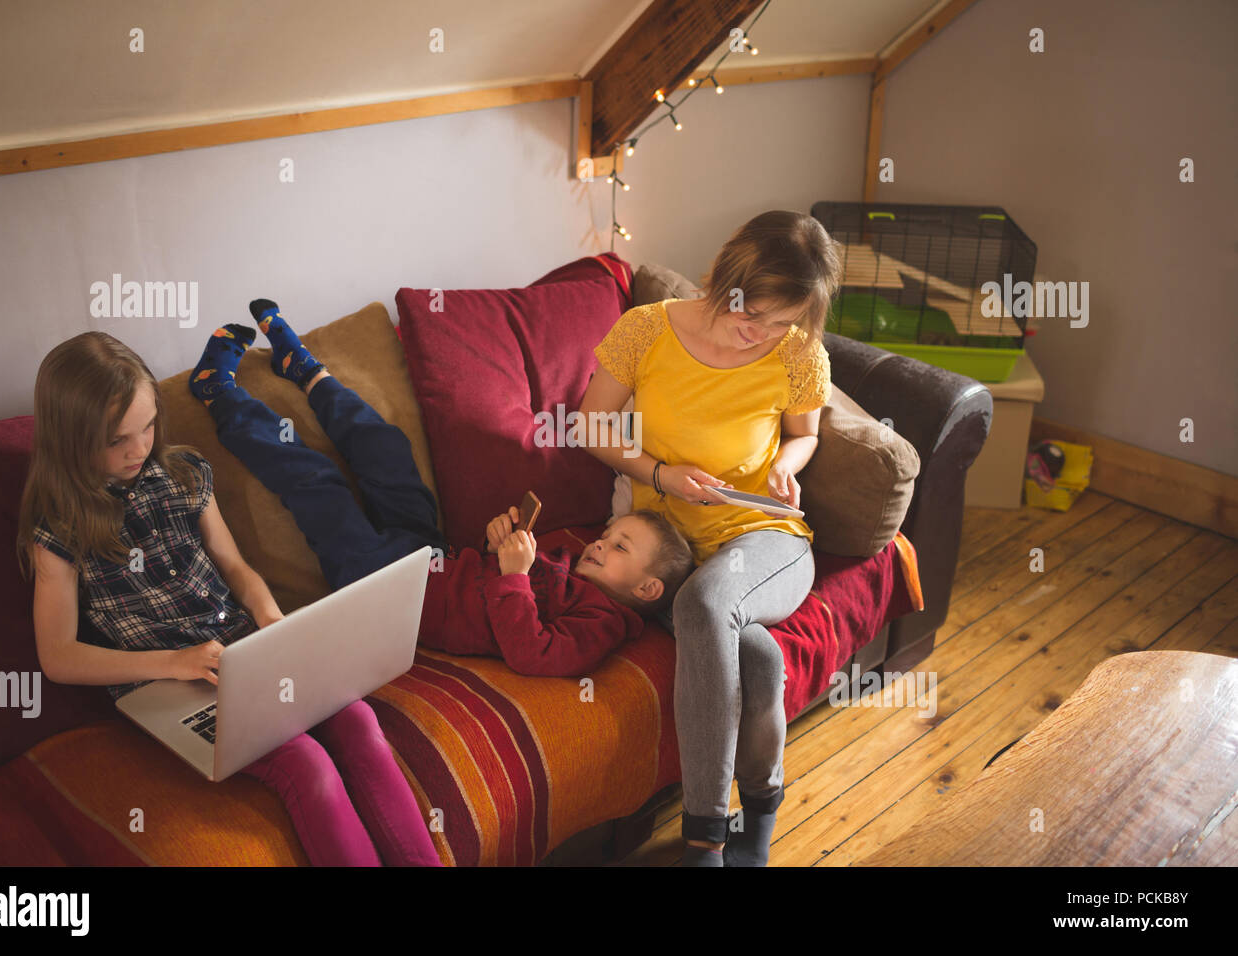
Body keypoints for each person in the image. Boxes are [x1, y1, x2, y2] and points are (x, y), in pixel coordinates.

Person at [16, 330, 440, 867]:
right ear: (71, 439)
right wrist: (175, 663)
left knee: (357, 719)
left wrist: (271, 620)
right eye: (117, 440)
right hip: (165, 684)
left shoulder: (184, 473)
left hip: (240, 654)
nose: (138, 448)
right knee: (304, 764)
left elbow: (237, 569)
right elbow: (58, 657)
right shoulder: (58, 528)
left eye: (147, 427)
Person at [190, 299, 695, 680]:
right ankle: (309, 371)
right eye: (611, 534)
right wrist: (497, 544)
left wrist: (514, 574)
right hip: (428, 554)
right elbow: (490, 577)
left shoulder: (601, 623)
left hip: (384, 593)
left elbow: (531, 653)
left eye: (620, 546)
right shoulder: (572, 562)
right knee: (386, 448)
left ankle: (218, 392)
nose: (601, 542)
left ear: (647, 589)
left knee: (317, 484)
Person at [579, 210, 842, 866]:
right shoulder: (646, 331)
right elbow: (589, 426)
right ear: (726, 283)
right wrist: (660, 474)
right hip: (671, 547)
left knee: (704, 604)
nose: (765, 335)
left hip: (766, 538)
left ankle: (704, 837)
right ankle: (758, 823)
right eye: (756, 316)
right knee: (760, 661)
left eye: (784, 322)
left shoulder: (797, 350)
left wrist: (787, 462)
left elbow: (804, 433)